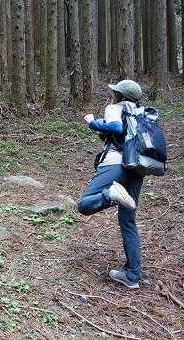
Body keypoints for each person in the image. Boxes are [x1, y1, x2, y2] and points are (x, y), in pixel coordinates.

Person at [77, 79, 145, 289]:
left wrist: (91, 122)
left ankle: (112, 194)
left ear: (121, 96)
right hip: (137, 168)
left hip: (116, 165)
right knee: (128, 221)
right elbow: (121, 135)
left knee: (84, 204)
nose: (112, 94)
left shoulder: (115, 108)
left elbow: (116, 127)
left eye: (115, 92)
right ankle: (132, 275)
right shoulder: (141, 112)